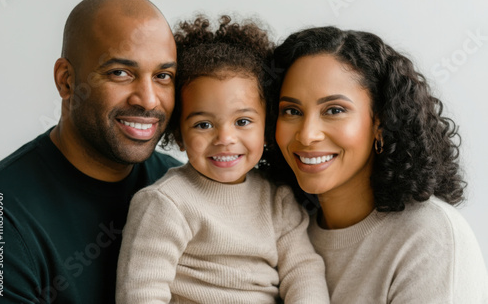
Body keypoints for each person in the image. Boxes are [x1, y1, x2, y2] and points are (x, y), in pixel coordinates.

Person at [116, 15, 330, 303]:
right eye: (204, 125)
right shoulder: (165, 203)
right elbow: (141, 291)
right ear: (179, 134)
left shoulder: (277, 200)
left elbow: (303, 271)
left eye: (242, 121)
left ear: (266, 129)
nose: (225, 139)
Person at [0, 0, 181, 304]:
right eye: (120, 73)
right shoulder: (0, 217)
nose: (147, 99)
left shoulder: (179, 184)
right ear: (66, 80)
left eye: (163, 76)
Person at [270, 26, 488, 303]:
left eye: (334, 110)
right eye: (292, 111)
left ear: (380, 122)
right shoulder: (283, 227)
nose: (307, 134)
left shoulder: (430, 237)